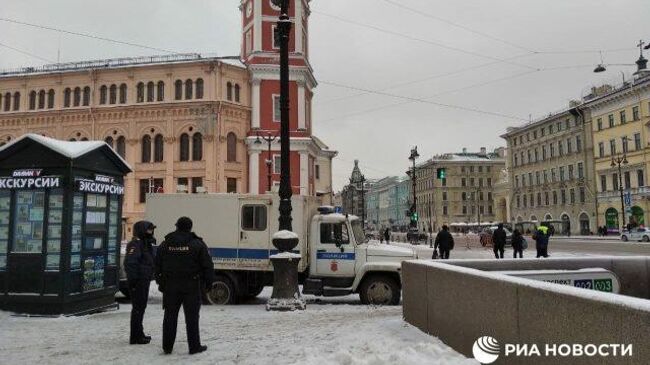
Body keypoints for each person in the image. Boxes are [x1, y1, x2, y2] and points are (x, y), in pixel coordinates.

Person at [155, 217, 215, 355]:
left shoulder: (165, 244)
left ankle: (167, 347)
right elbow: (207, 265)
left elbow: (157, 265)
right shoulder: (197, 244)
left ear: (176, 226)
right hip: (191, 286)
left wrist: (161, 282)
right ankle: (194, 347)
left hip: (171, 286)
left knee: (169, 317)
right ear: (190, 227)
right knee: (192, 318)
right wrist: (209, 283)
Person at [124, 221, 157, 345]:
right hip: (138, 282)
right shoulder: (135, 244)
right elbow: (130, 263)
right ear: (141, 230)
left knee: (141, 308)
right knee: (138, 309)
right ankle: (135, 337)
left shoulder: (145, 244)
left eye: (151, 230)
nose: (151, 232)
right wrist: (134, 282)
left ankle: (139, 333)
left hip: (144, 280)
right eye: (149, 230)